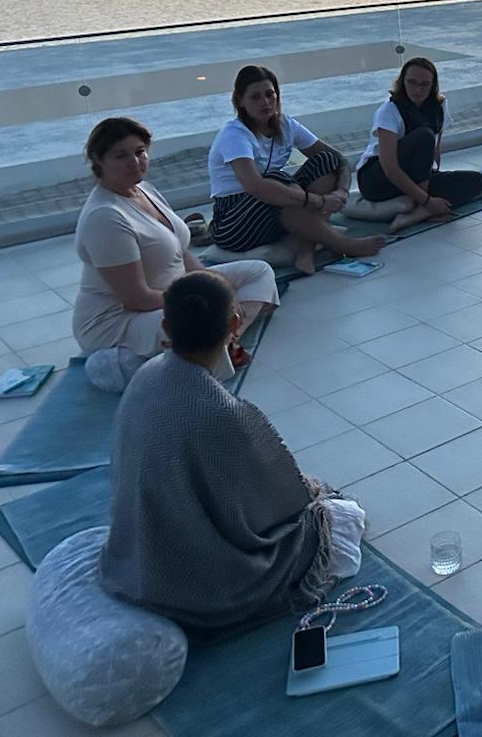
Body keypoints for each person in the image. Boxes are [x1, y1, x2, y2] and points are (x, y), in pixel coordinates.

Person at [101, 271, 365, 635]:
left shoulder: (147, 374)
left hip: (136, 560)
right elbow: (280, 506)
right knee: (342, 516)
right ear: (235, 324)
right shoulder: (222, 413)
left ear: (165, 326)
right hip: (204, 584)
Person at [74, 117, 279, 393]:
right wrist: (213, 300)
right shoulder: (105, 216)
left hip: (176, 289)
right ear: (99, 160)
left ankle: (224, 341)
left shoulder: (143, 189)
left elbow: (180, 251)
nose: (134, 162)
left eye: (139, 152)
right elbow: (137, 299)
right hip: (117, 321)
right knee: (202, 316)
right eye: (120, 156)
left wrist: (217, 287)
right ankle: (212, 344)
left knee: (259, 272)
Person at [207, 65, 384, 274]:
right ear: (240, 101)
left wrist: (342, 191)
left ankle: (305, 249)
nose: (265, 102)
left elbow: (339, 160)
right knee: (276, 182)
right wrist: (317, 201)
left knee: (325, 161)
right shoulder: (234, 134)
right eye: (255, 97)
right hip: (233, 222)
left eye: (270, 94)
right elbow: (256, 187)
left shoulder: (285, 124)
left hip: (270, 211)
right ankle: (342, 244)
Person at [356, 57, 482, 231]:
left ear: (433, 85)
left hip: (415, 176)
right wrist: (427, 200)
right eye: (412, 83)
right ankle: (424, 206)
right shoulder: (389, 111)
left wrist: (433, 179)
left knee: (476, 181)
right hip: (377, 179)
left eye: (425, 84)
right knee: (424, 135)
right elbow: (390, 167)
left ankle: (417, 214)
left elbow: (435, 152)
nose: (418, 90)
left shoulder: (439, 106)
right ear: (403, 82)